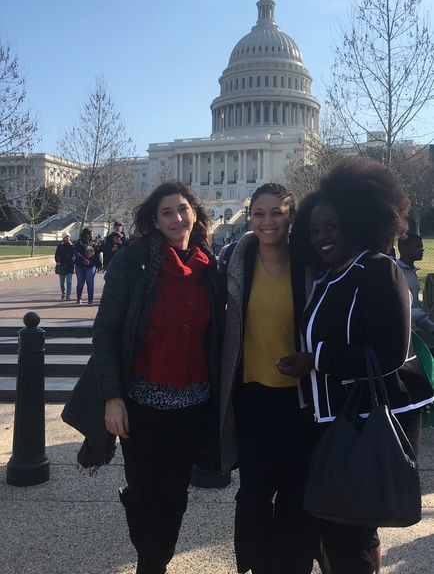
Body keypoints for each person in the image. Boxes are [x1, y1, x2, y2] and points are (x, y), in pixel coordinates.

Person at [277, 157, 434, 574]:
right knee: (337, 530)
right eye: (314, 229)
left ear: (358, 221)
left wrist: (315, 360)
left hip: (371, 419)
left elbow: (389, 353)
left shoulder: (379, 270)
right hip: (332, 418)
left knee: (351, 535)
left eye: (332, 226)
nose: (323, 236)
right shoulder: (329, 277)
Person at [64, 182, 222, 574]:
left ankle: (153, 565)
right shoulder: (134, 261)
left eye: (182, 209)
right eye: (166, 212)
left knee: (173, 493)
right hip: (141, 402)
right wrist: (113, 397)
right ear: (154, 221)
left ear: (194, 214)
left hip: (192, 402)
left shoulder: (209, 265)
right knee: (143, 491)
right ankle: (151, 556)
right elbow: (106, 331)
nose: (176, 218)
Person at [220, 183, 318, 574]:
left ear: (291, 215)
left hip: (300, 399)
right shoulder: (235, 260)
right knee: (255, 493)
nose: (267, 221)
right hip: (253, 395)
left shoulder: (309, 265)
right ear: (250, 216)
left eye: (277, 212)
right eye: (259, 213)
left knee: (296, 492)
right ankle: (255, 565)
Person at [397, 233, 434, 346]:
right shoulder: (396, 273)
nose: (422, 249)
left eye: (422, 246)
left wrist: (431, 328)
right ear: (403, 248)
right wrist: (416, 313)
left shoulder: (412, 272)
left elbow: (415, 308)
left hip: (414, 332)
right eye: (418, 246)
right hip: (401, 335)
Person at [74, 227, 101, 305]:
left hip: (91, 266)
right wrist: (83, 259)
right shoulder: (79, 242)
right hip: (80, 266)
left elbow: (98, 253)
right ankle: (79, 298)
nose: (92, 236)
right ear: (87, 235)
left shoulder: (94, 243)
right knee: (80, 283)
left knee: (90, 283)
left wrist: (98, 246)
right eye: (91, 234)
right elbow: (76, 252)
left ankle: (90, 301)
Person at [54, 232, 75, 300]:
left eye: (68, 237)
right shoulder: (60, 246)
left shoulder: (72, 246)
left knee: (69, 281)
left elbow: (75, 255)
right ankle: (63, 292)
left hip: (70, 266)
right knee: (62, 282)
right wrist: (58, 261)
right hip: (62, 266)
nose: (67, 238)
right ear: (63, 238)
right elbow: (56, 255)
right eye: (66, 237)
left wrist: (74, 261)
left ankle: (68, 295)